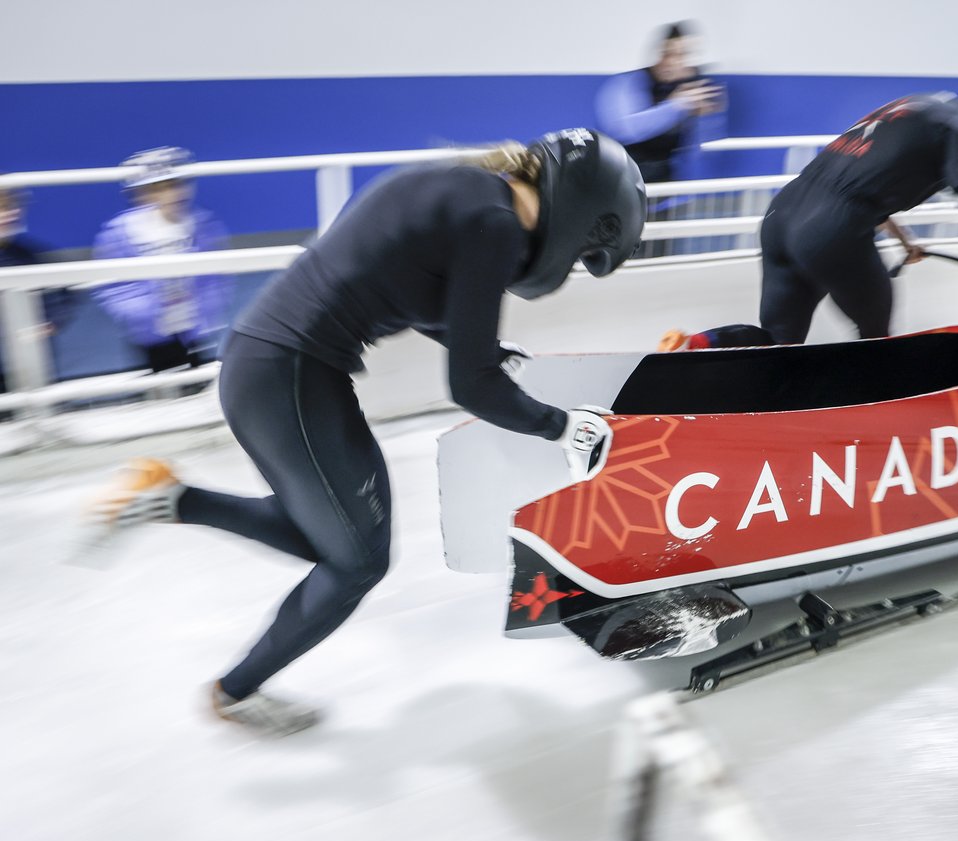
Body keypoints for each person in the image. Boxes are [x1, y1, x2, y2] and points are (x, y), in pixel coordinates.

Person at [85, 129, 646, 736]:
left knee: (337, 543)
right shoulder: (496, 225)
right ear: (588, 218)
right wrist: (563, 427)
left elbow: (402, 281)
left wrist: (480, 343)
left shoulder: (468, 188)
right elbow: (473, 388)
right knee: (355, 563)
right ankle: (233, 692)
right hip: (291, 376)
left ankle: (169, 497)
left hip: (265, 362)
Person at [660, 89, 958, 351]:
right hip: (831, 228)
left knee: (777, 341)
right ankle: (870, 415)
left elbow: (863, 177)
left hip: (783, 214)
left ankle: (696, 344)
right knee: (875, 337)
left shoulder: (920, 106)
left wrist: (905, 242)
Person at [92, 147, 231, 373]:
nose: (173, 194)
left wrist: (205, 311)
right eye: (160, 188)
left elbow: (215, 275)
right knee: (160, 383)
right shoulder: (121, 232)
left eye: (177, 185)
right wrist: (148, 313)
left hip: (195, 326)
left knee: (198, 378)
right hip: (150, 332)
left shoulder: (201, 225)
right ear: (141, 193)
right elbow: (114, 285)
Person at [595, 21, 724, 184]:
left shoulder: (689, 88)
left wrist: (704, 117)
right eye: (669, 54)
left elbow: (702, 148)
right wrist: (677, 105)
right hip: (622, 182)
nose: (674, 62)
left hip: (664, 184)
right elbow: (626, 129)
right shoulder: (629, 83)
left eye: (683, 56)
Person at [0, 182, 73, 395]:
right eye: (0, 207)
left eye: (11, 206)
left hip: (29, 362)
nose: (8, 214)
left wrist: (51, 324)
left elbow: (64, 293)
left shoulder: (33, 255)